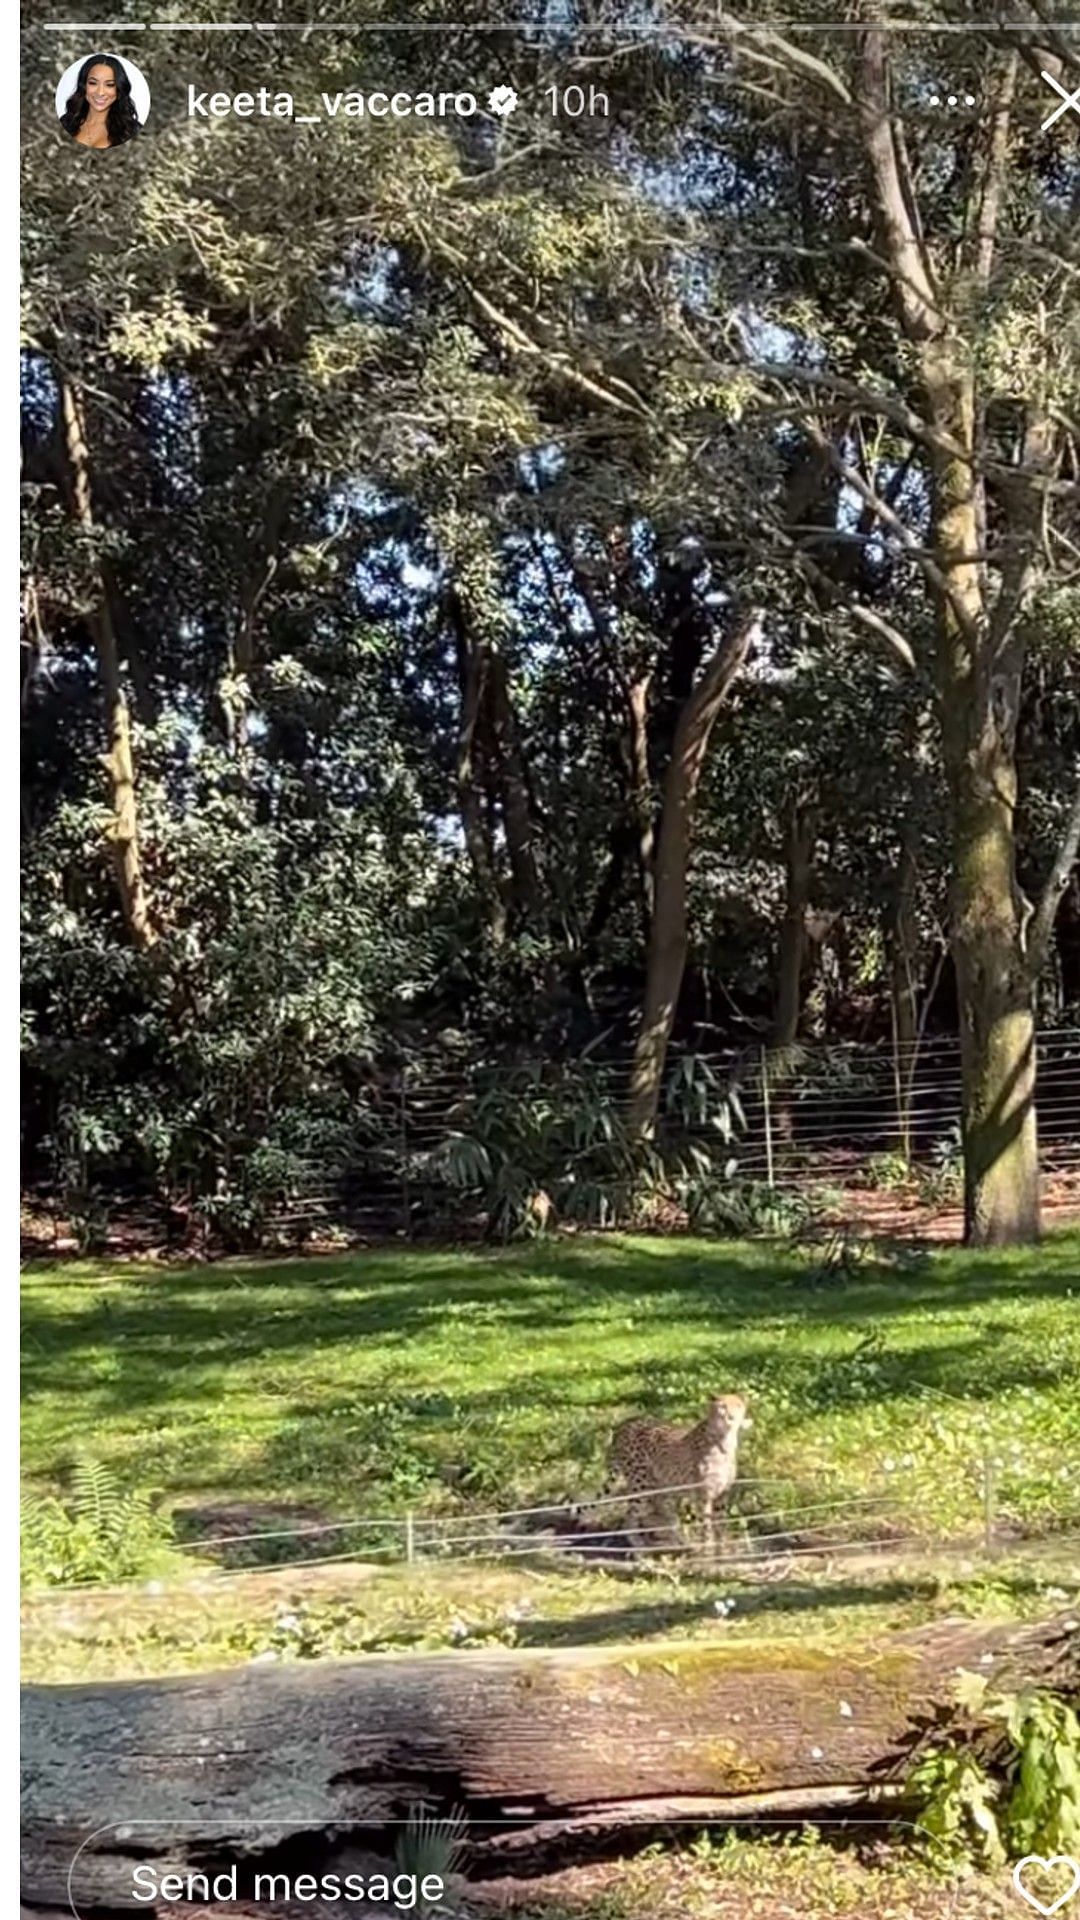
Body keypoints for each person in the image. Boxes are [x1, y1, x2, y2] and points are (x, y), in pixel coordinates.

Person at [60, 54, 140, 149]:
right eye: (93, 83)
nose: (100, 92)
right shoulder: (66, 122)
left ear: (119, 89)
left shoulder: (133, 130)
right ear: (84, 85)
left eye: (109, 85)